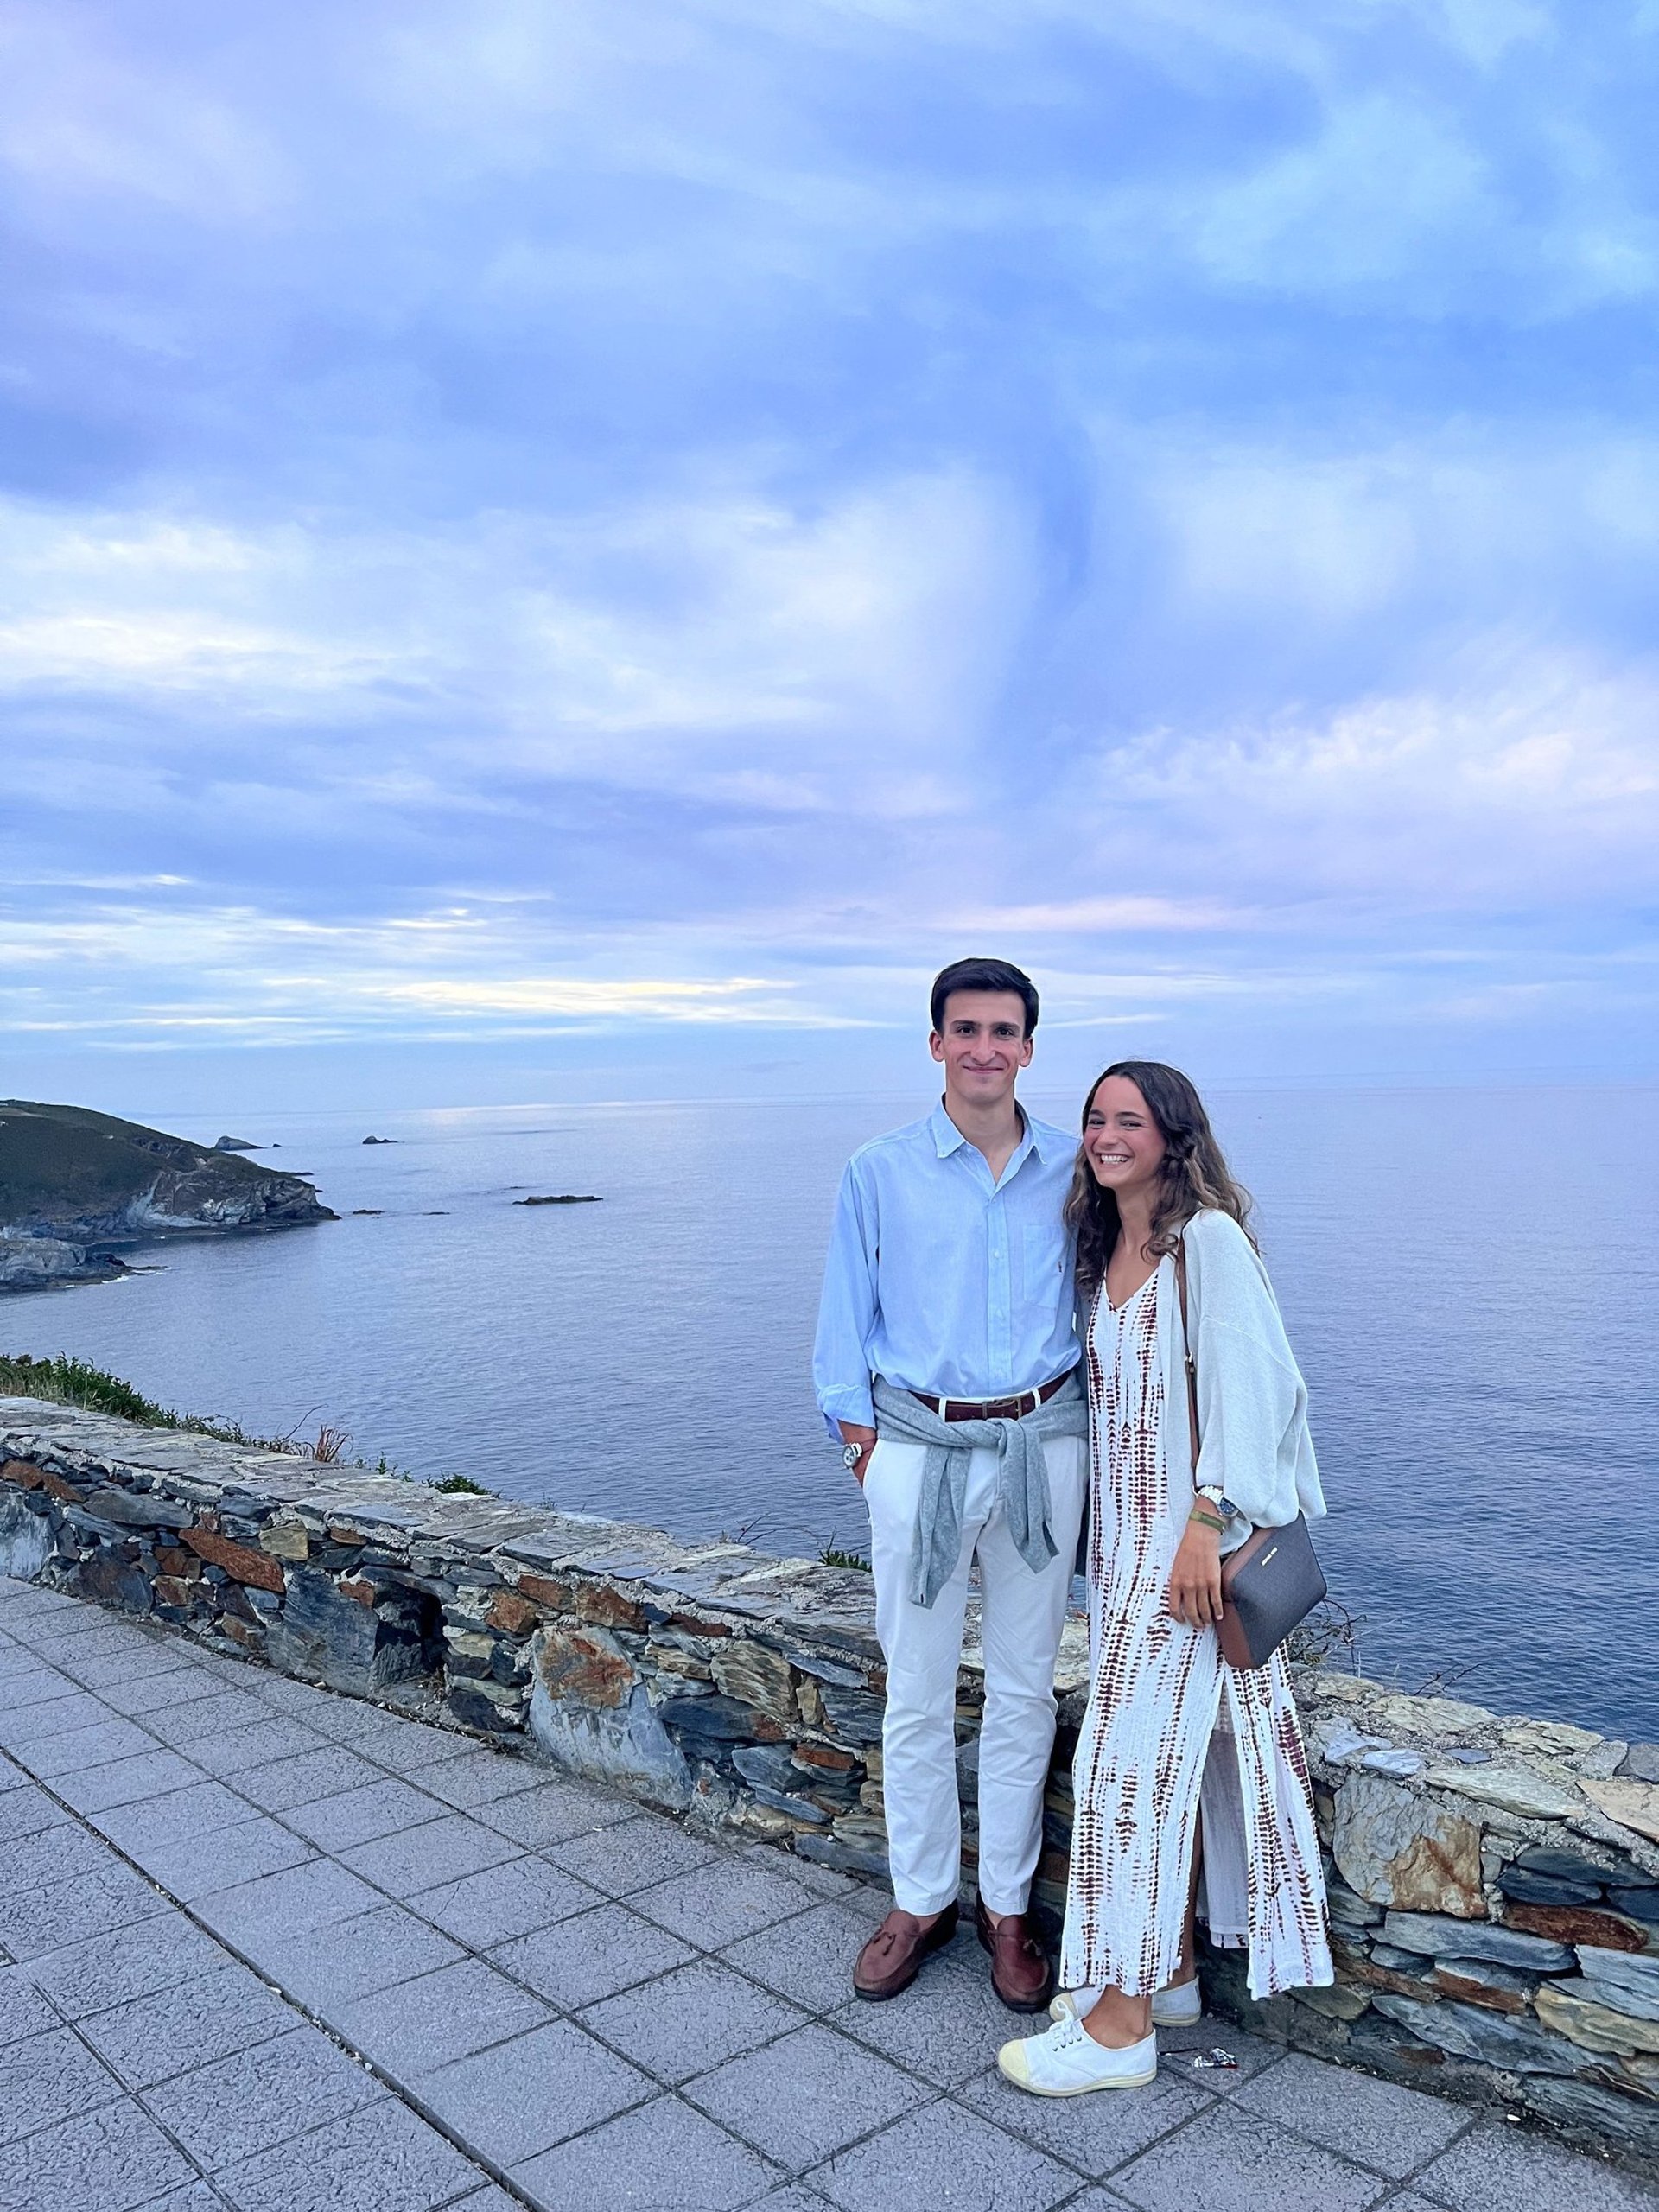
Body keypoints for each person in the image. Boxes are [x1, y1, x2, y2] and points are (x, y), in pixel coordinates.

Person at [999, 1060, 1332, 2097]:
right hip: (1127, 1557)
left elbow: (1263, 1386)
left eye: (1127, 1120)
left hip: (1187, 1559)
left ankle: (1119, 2026)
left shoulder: (1208, 1243)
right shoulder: (1107, 1249)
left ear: (1173, 1134)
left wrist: (1206, 1520)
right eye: (1094, 1119)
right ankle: (1173, 1972)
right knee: (1168, 1769)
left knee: (1123, 1776)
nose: (1103, 1135)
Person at [813, 957, 1088, 2011]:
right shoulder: (877, 1170)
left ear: (1029, 1047)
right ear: (935, 1044)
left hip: (1040, 1449)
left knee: (1024, 1690)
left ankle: (1007, 1908)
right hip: (917, 1454)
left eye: (1003, 1030)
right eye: (963, 1029)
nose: (983, 1047)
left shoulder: (1074, 1167)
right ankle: (921, 1897)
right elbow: (842, 1330)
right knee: (918, 1692)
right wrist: (865, 1458)